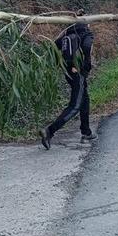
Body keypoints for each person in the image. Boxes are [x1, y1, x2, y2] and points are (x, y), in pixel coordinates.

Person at [40, 11, 96, 149]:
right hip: (78, 73)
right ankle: (49, 131)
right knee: (75, 105)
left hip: (68, 72)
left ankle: (86, 132)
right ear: (87, 22)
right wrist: (85, 68)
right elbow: (88, 47)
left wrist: (66, 65)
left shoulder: (67, 33)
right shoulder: (86, 33)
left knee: (85, 99)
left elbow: (54, 46)